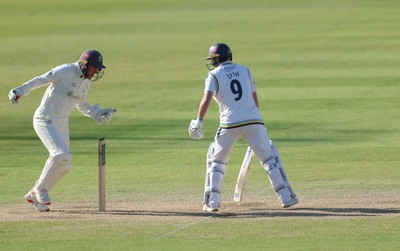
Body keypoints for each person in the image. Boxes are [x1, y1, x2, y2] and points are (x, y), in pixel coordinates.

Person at [188, 43, 298, 212]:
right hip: (254, 120)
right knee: (269, 159)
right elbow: (254, 97)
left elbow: (206, 98)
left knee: (216, 161)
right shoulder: (245, 70)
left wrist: (199, 122)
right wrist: (257, 124)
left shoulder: (213, 75)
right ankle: (287, 197)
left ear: (216, 60)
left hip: (229, 123)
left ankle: (213, 203)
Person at [8, 49, 117, 212]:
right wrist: (21, 91)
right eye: (94, 68)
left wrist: (97, 113)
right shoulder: (66, 70)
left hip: (62, 121)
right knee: (60, 154)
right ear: (84, 64)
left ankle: (33, 193)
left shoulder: (86, 81)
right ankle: (40, 190)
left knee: (64, 164)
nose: (96, 72)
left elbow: (81, 103)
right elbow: (41, 80)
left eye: (98, 69)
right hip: (45, 118)